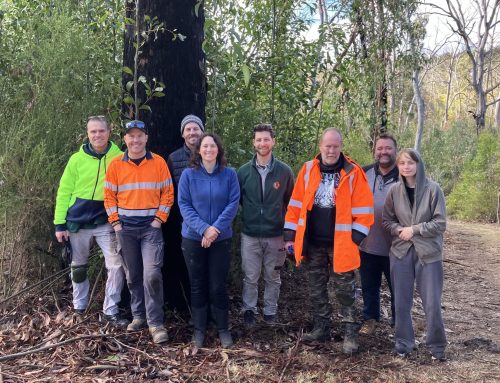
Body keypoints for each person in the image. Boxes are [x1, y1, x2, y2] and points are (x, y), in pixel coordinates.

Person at [284, 128, 374, 354]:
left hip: (341, 244)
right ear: (320, 146)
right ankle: (321, 328)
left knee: (345, 290)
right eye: (327, 146)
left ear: (341, 146)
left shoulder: (353, 172)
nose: (331, 150)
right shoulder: (307, 170)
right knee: (316, 289)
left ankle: (350, 334)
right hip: (313, 243)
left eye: (335, 146)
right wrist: (289, 235)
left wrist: (357, 236)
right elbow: (295, 204)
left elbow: (365, 209)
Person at [104, 120, 174, 344]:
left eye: (139, 136)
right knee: (133, 276)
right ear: (125, 139)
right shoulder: (115, 164)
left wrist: (158, 220)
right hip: (125, 228)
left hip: (150, 229)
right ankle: (138, 316)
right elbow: (109, 197)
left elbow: (168, 194)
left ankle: (156, 323)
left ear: (146, 138)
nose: (135, 140)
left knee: (151, 275)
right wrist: (116, 224)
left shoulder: (159, 163)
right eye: (131, 136)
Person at [54, 116, 127, 326]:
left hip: (106, 221)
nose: (97, 135)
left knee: (115, 266)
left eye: (101, 131)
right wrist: (60, 224)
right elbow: (64, 191)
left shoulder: (119, 157)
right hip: (77, 222)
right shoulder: (76, 159)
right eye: (93, 132)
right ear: (87, 134)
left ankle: (110, 311)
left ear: (109, 132)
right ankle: (80, 307)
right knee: (78, 267)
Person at [382, 148, 447, 361]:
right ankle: (403, 343)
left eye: (410, 162)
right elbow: (387, 221)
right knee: (401, 301)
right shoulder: (394, 191)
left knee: (432, 302)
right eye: (402, 163)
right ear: (398, 167)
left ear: (418, 164)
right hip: (400, 252)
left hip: (428, 254)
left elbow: (440, 223)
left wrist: (415, 229)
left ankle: (437, 346)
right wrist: (398, 230)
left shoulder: (433, 189)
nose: (406, 167)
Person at [178, 133, 240, 348]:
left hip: (221, 239)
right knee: (197, 285)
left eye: (212, 146)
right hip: (193, 238)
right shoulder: (188, 175)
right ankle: (199, 330)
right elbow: (184, 205)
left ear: (218, 150)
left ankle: (223, 329)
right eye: (204, 146)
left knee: (218, 286)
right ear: (199, 150)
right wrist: (204, 230)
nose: (208, 149)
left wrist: (214, 230)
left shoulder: (229, 175)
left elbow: (233, 204)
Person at [237, 123, 294, 327]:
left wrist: (289, 233)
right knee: (251, 276)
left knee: (273, 275)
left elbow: (291, 202)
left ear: (273, 141)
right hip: (250, 234)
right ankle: (249, 310)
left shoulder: (284, 171)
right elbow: (240, 200)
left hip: (276, 234)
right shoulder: (243, 172)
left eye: (266, 139)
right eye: (259, 139)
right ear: (253, 143)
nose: (263, 143)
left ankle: (270, 312)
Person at [358, 133, 399, 335]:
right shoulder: (363, 172)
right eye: (380, 148)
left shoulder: (405, 174)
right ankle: (370, 319)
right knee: (369, 286)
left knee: (398, 287)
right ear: (375, 150)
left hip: (397, 246)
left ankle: (399, 323)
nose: (383, 152)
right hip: (368, 242)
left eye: (388, 148)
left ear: (395, 151)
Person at [164, 114, 205, 310]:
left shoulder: (211, 153)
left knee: (208, 269)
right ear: (182, 134)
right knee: (185, 268)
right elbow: (169, 192)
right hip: (183, 225)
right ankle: (187, 309)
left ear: (202, 131)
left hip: (209, 224)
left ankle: (209, 310)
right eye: (188, 129)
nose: (192, 132)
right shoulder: (173, 158)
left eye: (195, 128)